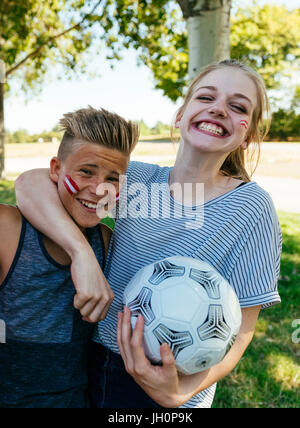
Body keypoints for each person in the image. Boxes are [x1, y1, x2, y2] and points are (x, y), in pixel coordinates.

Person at [15, 60, 282, 408]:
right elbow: (31, 182)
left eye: (237, 107)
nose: (218, 110)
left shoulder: (251, 206)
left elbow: (243, 331)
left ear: (247, 136)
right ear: (181, 114)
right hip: (95, 365)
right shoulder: (136, 181)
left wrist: (180, 392)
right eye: (206, 98)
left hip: (172, 382)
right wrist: (81, 253)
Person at [0, 106, 139, 408]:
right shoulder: (8, 231)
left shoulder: (105, 240)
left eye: (112, 179)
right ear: (55, 169)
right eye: (86, 171)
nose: (98, 188)